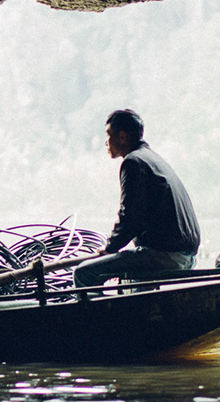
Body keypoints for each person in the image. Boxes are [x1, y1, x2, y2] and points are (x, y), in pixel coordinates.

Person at [74, 109, 201, 287]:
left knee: (84, 273)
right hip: (186, 256)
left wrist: (109, 249)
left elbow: (131, 218)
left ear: (122, 137)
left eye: (109, 135)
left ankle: (95, 315)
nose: (106, 142)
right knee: (134, 281)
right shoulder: (152, 159)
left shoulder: (133, 162)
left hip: (165, 256)